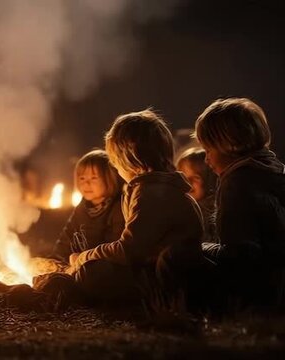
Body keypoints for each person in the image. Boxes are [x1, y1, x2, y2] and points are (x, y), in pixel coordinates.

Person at [69, 109, 204, 308]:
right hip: (158, 270)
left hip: (168, 280)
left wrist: (84, 256)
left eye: (114, 162)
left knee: (91, 274)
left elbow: (128, 250)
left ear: (127, 160)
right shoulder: (155, 187)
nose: (115, 168)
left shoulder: (150, 193)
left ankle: (147, 301)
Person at [194, 97, 285, 312]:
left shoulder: (238, 181)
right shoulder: (276, 173)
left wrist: (198, 247)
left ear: (229, 144)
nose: (206, 159)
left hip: (269, 292)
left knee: (177, 254)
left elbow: (239, 255)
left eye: (208, 150)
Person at [51, 149, 125, 263]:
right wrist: (56, 258)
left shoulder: (117, 208)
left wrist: (85, 259)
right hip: (79, 262)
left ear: (109, 178)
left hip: (101, 265)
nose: (86, 183)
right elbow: (67, 236)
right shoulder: (82, 207)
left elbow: (115, 247)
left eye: (94, 178)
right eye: (82, 178)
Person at [176, 147, 218, 242]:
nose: (188, 182)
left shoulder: (212, 213)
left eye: (196, 177)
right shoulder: (182, 209)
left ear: (209, 179)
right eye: (183, 177)